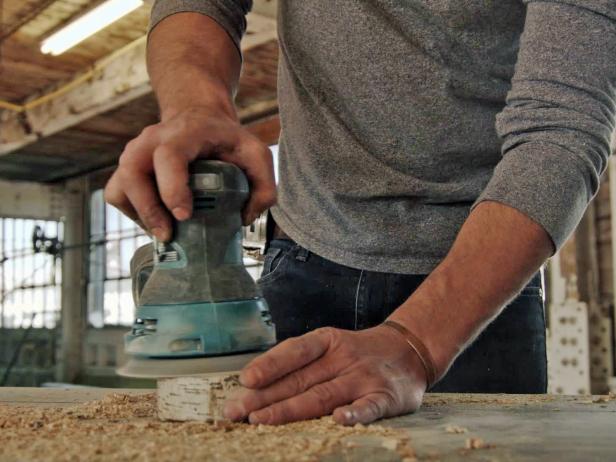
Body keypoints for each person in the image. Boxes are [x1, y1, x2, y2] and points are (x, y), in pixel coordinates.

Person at [104, 1, 616, 425]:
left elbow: (561, 130)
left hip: (480, 283)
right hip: (306, 247)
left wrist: (418, 343)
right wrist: (197, 105)